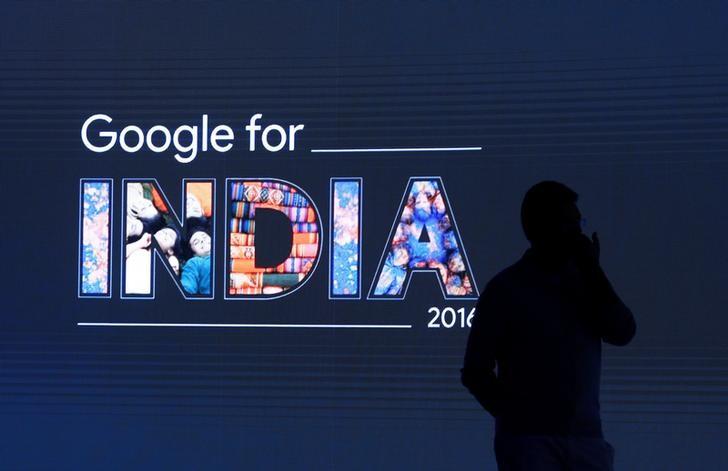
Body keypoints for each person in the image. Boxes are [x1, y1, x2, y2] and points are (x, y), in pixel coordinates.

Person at [461, 180, 636, 470]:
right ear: (541, 227)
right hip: (530, 445)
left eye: (579, 222)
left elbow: (623, 331)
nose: (578, 233)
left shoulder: (586, 285)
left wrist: (593, 270)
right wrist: (517, 419)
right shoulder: (506, 290)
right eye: (568, 223)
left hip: (585, 440)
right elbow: (475, 371)